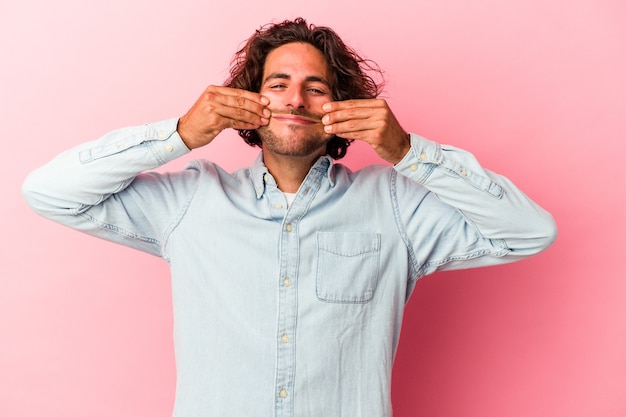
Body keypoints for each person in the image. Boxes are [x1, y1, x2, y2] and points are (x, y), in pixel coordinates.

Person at [22, 17, 556, 417]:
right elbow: (49, 192)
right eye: (277, 84)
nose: (295, 99)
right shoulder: (191, 201)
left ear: (341, 109)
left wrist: (410, 151)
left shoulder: (397, 206)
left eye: (316, 88)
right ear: (249, 102)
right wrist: (179, 134)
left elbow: (531, 232)